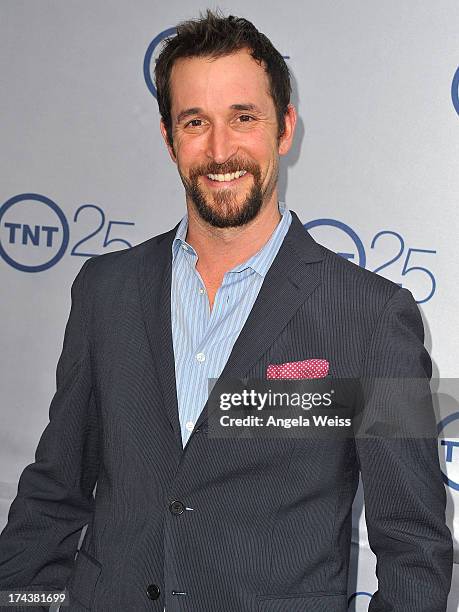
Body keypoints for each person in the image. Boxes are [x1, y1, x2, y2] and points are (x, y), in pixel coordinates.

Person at [0, 10, 453, 612]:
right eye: (195, 122)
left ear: (284, 128)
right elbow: (53, 496)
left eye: (244, 117)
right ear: (169, 138)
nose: (220, 149)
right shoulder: (104, 289)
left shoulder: (374, 317)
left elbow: (413, 548)